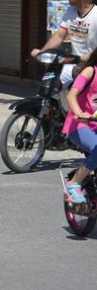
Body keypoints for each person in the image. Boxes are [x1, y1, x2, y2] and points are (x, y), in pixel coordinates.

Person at [31, 0, 97, 83]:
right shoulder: (71, 11)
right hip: (75, 64)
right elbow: (59, 35)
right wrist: (43, 52)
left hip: (93, 67)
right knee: (51, 81)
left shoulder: (96, 15)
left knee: (76, 96)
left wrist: (91, 56)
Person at [62, 47, 97, 204]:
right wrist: (79, 113)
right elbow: (71, 95)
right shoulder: (90, 71)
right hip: (80, 126)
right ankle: (74, 183)